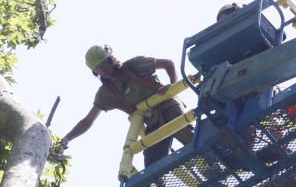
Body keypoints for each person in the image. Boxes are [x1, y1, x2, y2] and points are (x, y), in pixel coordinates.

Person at [57, 45, 194, 167]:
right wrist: (66, 139)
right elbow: (88, 120)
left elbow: (167, 63)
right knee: (152, 163)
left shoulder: (135, 65)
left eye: (105, 64)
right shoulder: (107, 93)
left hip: (169, 106)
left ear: (111, 60)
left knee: (189, 136)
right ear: (96, 73)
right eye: (99, 69)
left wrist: (172, 85)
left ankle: (213, 169)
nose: (104, 70)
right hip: (153, 122)